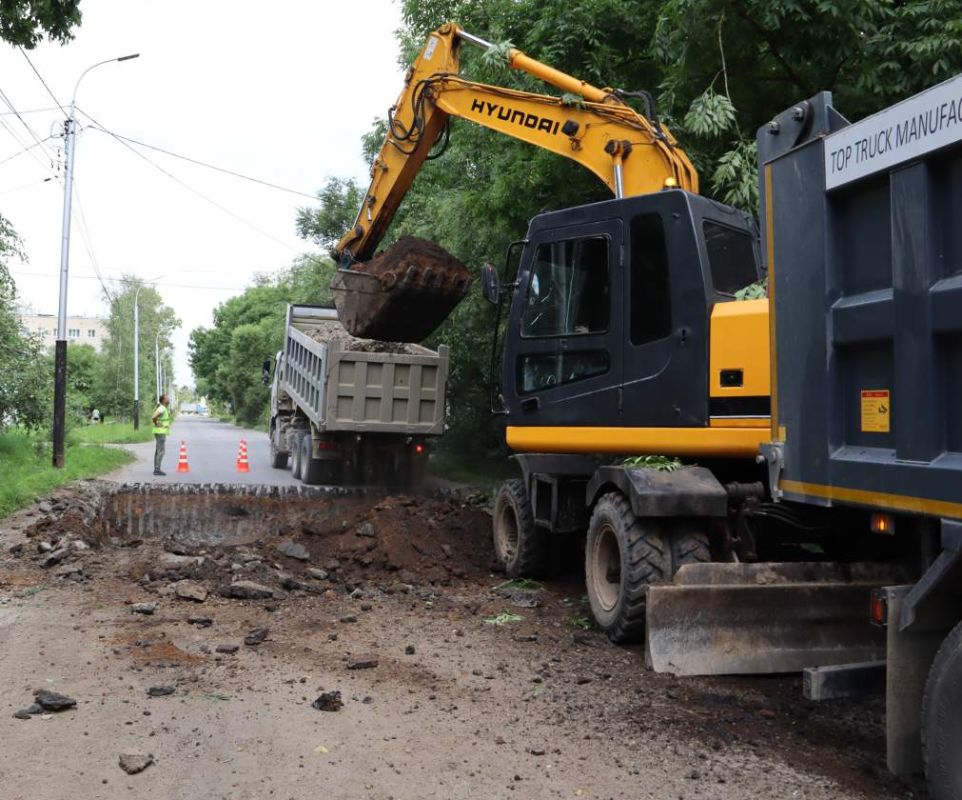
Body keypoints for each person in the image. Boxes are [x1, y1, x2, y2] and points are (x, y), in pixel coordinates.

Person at [151, 394, 172, 476]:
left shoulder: (163, 408)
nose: (169, 399)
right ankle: (157, 469)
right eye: (167, 398)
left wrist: (157, 422)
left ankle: (156, 469)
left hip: (160, 431)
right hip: (160, 432)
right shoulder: (162, 408)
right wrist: (156, 422)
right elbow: (153, 417)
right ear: (163, 400)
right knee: (161, 451)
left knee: (158, 451)